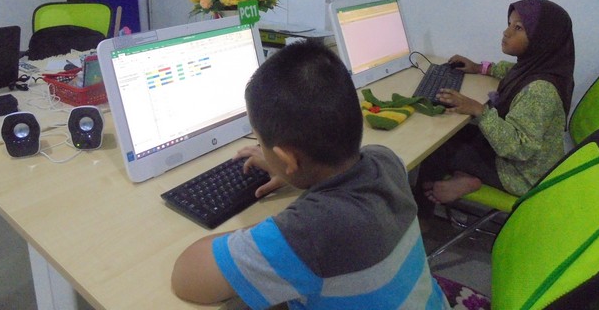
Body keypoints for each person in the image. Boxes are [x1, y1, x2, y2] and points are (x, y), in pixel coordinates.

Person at [172, 40, 449, 309]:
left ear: (287, 159)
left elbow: (186, 278)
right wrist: (291, 172)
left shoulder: (307, 234)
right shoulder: (386, 160)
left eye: (259, 140)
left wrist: (273, 229)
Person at [417, 0, 575, 207]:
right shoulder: (540, 68)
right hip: (520, 159)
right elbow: (511, 71)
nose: (506, 32)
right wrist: (479, 68)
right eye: (509, 24)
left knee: (436, 146)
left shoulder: (540, 91)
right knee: (454, 135)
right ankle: (463, 176)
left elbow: (519, 148)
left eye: (518, 28)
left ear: (543, 39)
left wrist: (479, 110)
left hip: (522, 174)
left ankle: (424, 211)